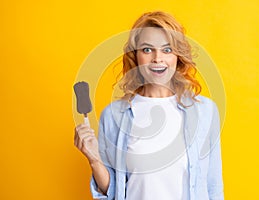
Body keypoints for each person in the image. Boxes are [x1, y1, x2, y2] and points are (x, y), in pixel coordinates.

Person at [74, 11, 224, 200]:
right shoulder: (113, 116)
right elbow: (112, 192)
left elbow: (213, 186)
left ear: (178, 56)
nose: (157, 58)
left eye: (167, 50)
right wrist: (94, 159)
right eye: (147, 49)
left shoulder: (205, 111)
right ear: (135, 56)